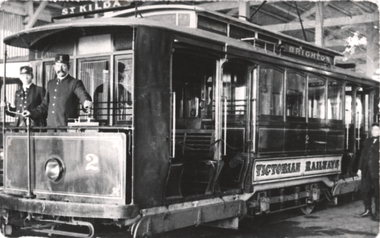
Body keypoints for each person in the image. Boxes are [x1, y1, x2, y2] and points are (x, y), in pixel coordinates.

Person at [23, 54, 92, 127]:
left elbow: (82, 94)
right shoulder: (50, 84)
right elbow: (44, 105)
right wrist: (31, 113)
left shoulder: (74, 83)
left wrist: (85, 102)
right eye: (58, 66)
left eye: (63, 66)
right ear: (54, 67)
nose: (60, 69)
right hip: (51, 128)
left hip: (66, 128)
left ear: (69, 66)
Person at [357, 123, 379, 221]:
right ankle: (368, 210)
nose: (375, 131)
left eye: (377, 129)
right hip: (366, 171)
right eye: (373, 129)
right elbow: (362, 156)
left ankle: (378, 213)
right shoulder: (367, 141)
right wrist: (359, 169)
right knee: (364, 190)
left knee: (378, 193)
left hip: (377, 171)